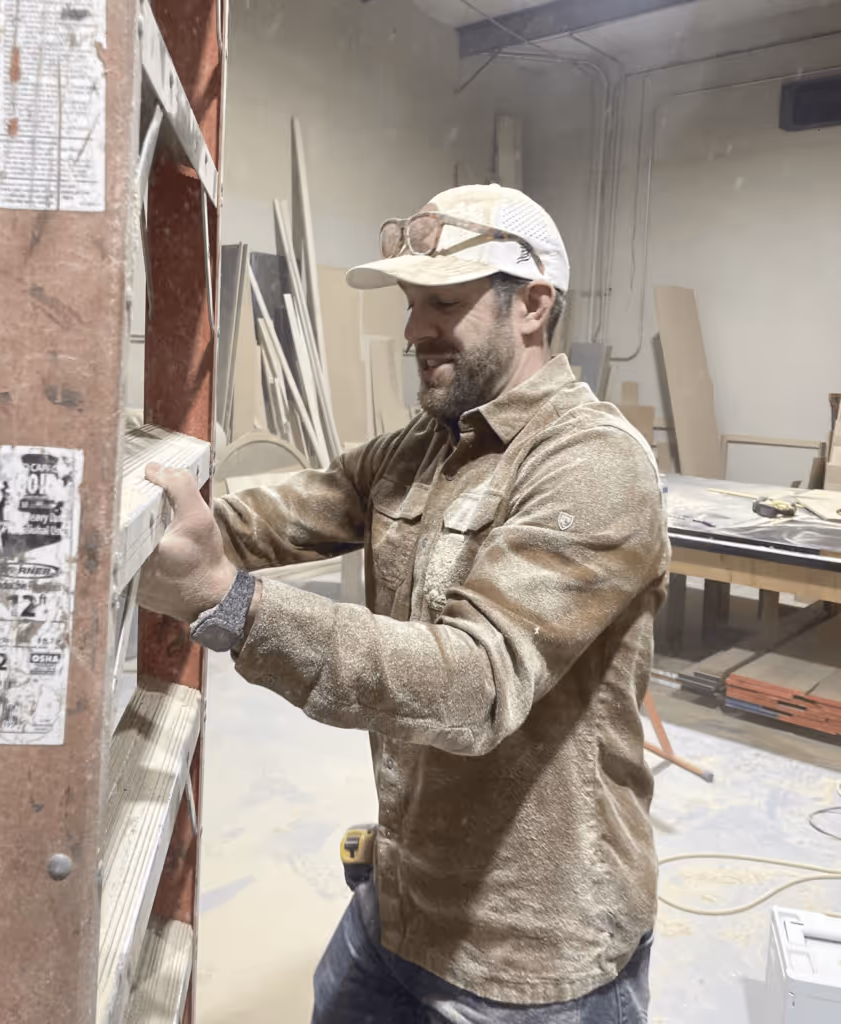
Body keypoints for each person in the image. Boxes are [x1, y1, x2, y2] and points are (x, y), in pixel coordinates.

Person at [138, 184, 670, 1022]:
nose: (414, 330)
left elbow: (476, 682)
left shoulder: (592, 465)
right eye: (411, 302)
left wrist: (231, 605)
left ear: (532, 306)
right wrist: (145, 519)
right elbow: (271, 517)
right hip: (403, 891)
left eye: (444, 304)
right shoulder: (424, 446)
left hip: (527, 947)